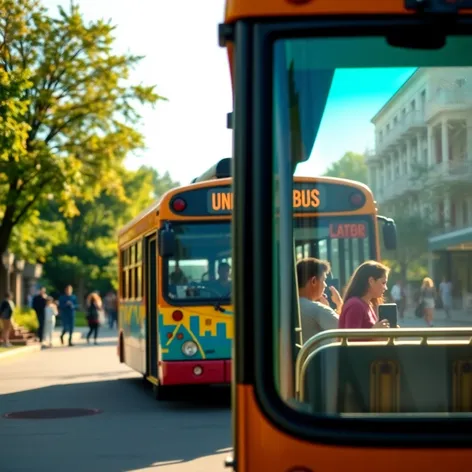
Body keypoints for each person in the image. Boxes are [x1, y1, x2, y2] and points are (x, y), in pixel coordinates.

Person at [296, 258, 341, 343]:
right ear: (313, 281)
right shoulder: (317, 309)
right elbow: (347, 331)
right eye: (324, 280)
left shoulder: (287, 308)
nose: (325, 285)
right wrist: (339, 305)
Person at [338, 261, 390, 332]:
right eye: (383, 283)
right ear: (371, 281)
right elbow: (351, 339)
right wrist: (375, 332)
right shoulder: (355, 305)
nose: (385, 288)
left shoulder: (367, 304)